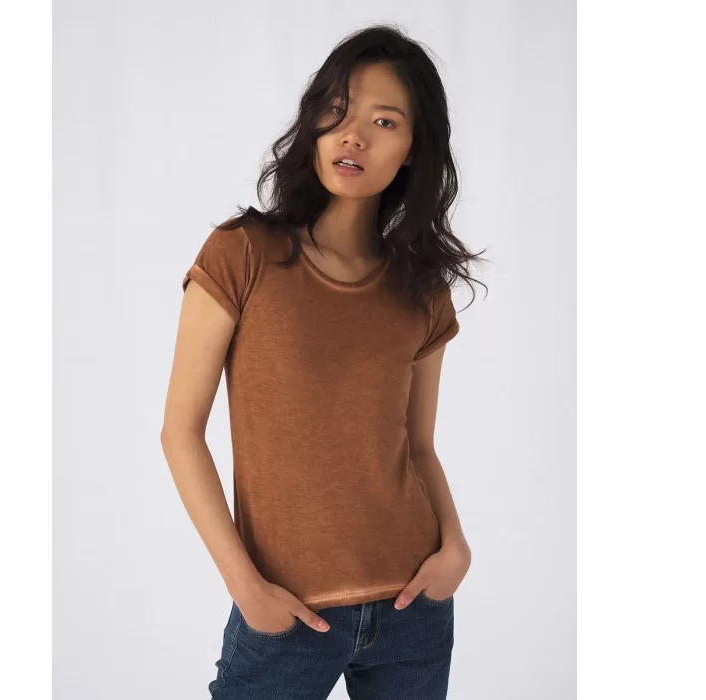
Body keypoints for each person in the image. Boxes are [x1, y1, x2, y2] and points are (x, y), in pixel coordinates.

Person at [161, 23, 487, 700]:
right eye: (338, 111)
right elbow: (180, 433)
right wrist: (246, 587)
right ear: (313, 122)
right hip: (286, 616)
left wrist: (455, 546)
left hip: (414, 608)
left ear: (413, 150)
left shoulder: (421, 289)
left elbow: (418, 446)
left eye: (384, 121)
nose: (353, 136)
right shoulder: (242, 253)